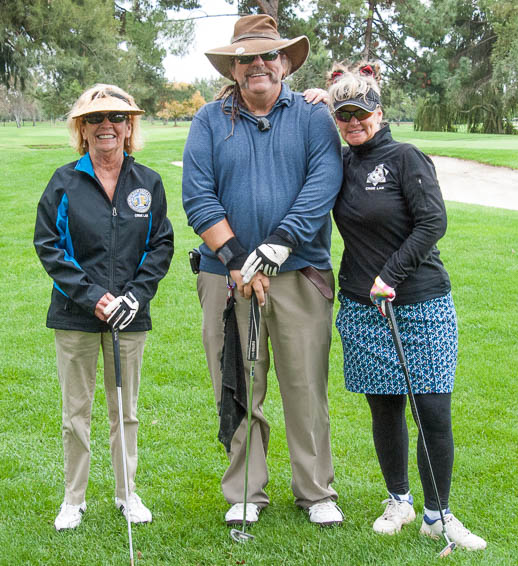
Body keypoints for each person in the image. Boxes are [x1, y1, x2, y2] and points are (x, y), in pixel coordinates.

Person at [182, 14, 344, 527]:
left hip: (299, 272)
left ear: (283, 63)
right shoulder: (208, 119)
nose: (258, 65)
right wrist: (235, 260)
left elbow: (324, 182)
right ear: (233, 68)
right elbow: (197, 195)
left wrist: (278, 244)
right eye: (247, 58)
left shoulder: (315, 117)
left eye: (267, 56)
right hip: (226, 276)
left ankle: (316, 492)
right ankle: (245, 494)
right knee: (237, 383)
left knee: (305, 387)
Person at [324, 65, 486, 550]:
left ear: (379, 111)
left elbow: (432, 223)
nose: (353, 122)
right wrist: (316, 96)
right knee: (385, 409)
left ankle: (439, 514)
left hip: (421, 302)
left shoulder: (405, 157)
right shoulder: (342, 163)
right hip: (362, 307)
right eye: (343, 114)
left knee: (432, 410)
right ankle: (399, 500)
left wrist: (388, 276)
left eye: (360, 112)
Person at [34, 84, 174, 531]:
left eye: (116, 118)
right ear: (83, 128)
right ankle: (73, 499)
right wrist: (94, 298)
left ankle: (127, 494)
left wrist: (135, 295)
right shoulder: (64, 181)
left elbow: (161, 244)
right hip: (76, 316)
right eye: (96, 119)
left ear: (129, 126)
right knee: (76, 414)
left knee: (125, 411)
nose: (106, 126)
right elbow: (49, 246)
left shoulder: (147, 181)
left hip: (130, 316)